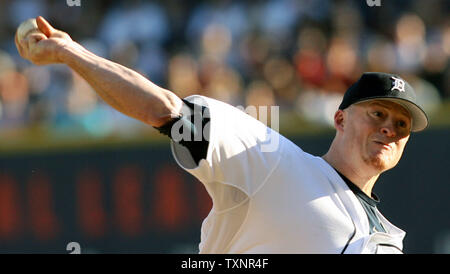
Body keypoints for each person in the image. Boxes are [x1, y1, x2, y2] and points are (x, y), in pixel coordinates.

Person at [16, 17, 428, 254]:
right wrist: (72, 53)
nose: (389, 128)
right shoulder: (275, 163)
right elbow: (165, 110)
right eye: (377, 113)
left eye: (402, 125)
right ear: (339, 119)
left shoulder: (390, 241)